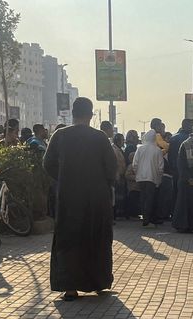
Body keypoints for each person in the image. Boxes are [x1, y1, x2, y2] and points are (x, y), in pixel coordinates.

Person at [43, 97, 117, 301]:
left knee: (69, 240)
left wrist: (65, 178)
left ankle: (70, 288)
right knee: (97, 239)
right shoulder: (100, 137)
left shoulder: (60, 135)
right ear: (91, 115)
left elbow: (48, 163)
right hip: (96, 199)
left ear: (73, 114)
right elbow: (111, 168)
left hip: (69, 197)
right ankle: (99, 282)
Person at [131, 130, 165, 227]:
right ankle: (148, 219)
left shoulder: (140, 148)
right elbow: (160, 167)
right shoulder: (157, 149)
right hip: (152, 178)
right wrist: (159, 178)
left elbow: (135, 164)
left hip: (141, 178)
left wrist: (137, 174)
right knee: (150, 198)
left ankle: (145, 217)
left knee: (143, 198)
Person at [162, 119, 192, 221]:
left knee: (175, 193)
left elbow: (170, 156)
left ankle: (174, 214)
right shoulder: (189, 139)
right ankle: (183, 216)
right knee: (185, 194)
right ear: (187, 126)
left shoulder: (173, 138)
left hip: (174, 171)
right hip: (186, 172)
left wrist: (173, 168)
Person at [100, 121, 127, 220]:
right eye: (111, 129)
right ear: (107, 129)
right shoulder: (104, 143)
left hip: (108, 176)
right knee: (110, 198)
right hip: (107, 177)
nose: (112, 131)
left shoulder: (106, 142)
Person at [123, 130, 141, 219]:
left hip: (133, 181)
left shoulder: (130, 147)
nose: (137, 138)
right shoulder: (131, 148)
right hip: (133, 181)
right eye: (136, 137)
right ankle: (132, 213)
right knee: (133, 198)